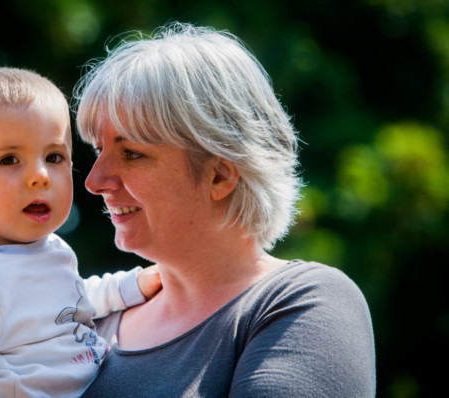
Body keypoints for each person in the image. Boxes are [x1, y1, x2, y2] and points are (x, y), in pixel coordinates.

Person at [73, 22, 376, 397]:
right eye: (97, 150)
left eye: (132, 153)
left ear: (219, 175)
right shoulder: (87, 321)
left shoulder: (302, 303)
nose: (94, 181)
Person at [0, 67, 160, 397]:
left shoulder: (50, 249)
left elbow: (68, 303)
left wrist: (132, 285)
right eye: (10, 159)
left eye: (54, 156)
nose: (40, 175)